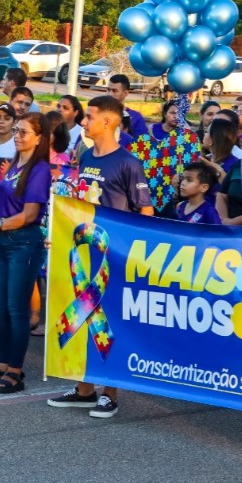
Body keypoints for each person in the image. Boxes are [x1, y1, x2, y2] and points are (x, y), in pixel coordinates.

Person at [47, 95, 153, 419]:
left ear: (107, 121)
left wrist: (129, 249)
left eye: (90, 116)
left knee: (109, 321)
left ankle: (110, 392)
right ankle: (84, 390)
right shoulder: (86, 155)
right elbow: (81, 201)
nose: (84, 121)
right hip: (85, 252)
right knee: (83, 315)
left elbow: (145, 211)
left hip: (112, 255)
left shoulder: (128, 163)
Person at [0, 111, 51, 393]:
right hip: (5, 240)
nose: (17, 136)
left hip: (23, 241)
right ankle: (4, 364)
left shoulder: (40, 169)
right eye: (17, 131)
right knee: (3, 306)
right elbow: (9, 199)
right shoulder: (16, 163)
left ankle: (16, 371)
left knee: (17, 309)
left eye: (24, 132)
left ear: (40, 138)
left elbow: (30, 214)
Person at [107, 73, 148, 137]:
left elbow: (143, 144)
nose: (110, 94)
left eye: (114, 91)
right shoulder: (99, 113)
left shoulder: (136, 117)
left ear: (125, 93)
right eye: (108, 90)